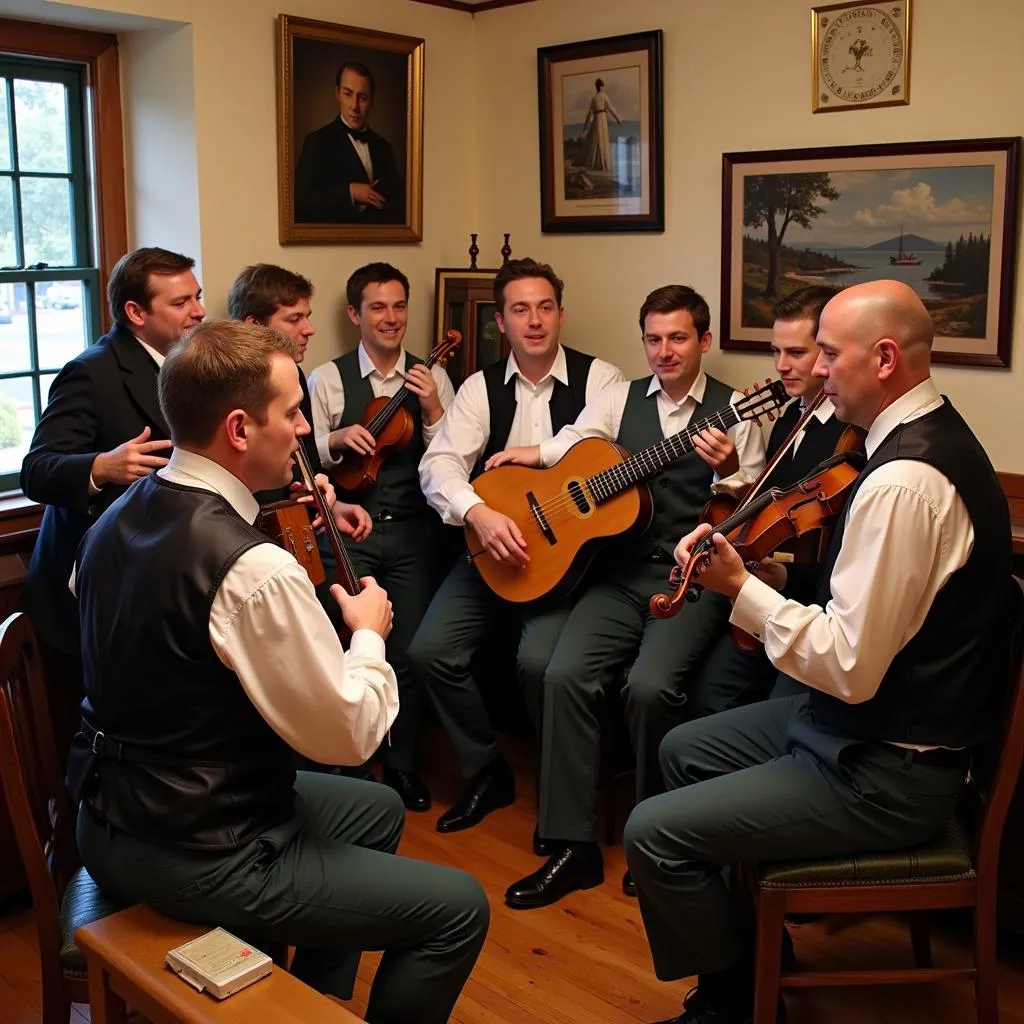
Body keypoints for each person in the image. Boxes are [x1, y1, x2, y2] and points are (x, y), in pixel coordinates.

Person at [69, 320, 489, 1024]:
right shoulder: (250, 567)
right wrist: (367, 637)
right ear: (239, 428)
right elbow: (350, 737)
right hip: (198, 846)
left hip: (106, 814)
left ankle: (313, 1004)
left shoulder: (114, 518)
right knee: (458, 909)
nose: (302, 430)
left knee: (377, 810)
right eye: (291, 413)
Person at [624, 280, 1012, 1024]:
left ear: (887, 358)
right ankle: (752, 959)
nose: (819, 371)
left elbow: (848, 665)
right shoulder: (914, 439)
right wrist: (770, 573)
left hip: (889, 767)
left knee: (653, 832)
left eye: (830, 354)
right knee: (682, 751)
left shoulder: (905, 481)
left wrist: (741, 590)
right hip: (863, 728)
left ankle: (731, 1001)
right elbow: (868, 599)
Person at [487, 285, 765, 908]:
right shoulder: (619, 397)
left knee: (648, 688)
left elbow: (750, 515)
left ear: (705, 341)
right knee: (561, 673)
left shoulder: (738, 411)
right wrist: (528, 457)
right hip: (617, 575)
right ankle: (572, 845)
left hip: (691, 581)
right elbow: (575, 446)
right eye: (653, 339)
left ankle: (655, 838)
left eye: (678, 338)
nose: (664, 351)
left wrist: (726, 473)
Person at [409, 256, 624, 835]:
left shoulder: (601, 379)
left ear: (561, 314)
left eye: (545, 307)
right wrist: (476, 513)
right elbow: (440, 464)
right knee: (430, 651)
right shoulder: (479, 388)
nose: (535, 321)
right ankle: (486, 771)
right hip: (489, 552)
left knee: (538, 663)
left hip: (566, 564)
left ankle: (560, 788)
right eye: (520, 309)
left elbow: (608, 454)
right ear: (500, 322)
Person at [21, 246, 204, 700]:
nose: (199, 311)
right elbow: (37, 470)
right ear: (135, 311)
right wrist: (102, 466)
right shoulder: (90, 373)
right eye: (181, 303)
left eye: (197, 297)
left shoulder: (190, 365)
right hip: (94, 597)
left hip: (163, 580)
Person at [308, 262, 455, 811]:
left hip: (413, 533)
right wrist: (335, 441)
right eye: (377, 307)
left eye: (399, 306)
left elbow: (453, 452)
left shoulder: (431, 376)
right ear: (355, 315)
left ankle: (402, 766)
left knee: (409, 653)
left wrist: (435, 405)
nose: (391, 318)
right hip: (349, 531)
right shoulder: (326, 377)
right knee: (344, 649)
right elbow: (305, 453)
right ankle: (348, 770)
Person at [691, 285, 849, 710]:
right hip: (770, 596)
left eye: (796, 353)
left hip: (814, 612)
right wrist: (729, 474)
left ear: (828, 353)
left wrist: (783, 580)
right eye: (775, 351)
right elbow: (773, 507)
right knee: (706, 696)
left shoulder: (849, 434)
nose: (781, 366)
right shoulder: (789, 422)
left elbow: (835, 543)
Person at [294, 62, 404, 225]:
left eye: (363, 98)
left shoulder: (384, 147)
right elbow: (302, 203)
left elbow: (399, 208)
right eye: (348, 94)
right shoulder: (317, 142)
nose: (354, 106)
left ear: (372, 101)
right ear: (337, 93)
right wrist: (350, 193)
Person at [580, 78, 622, 172]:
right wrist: (618, 119)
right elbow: (611, 108)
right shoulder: (603, 96)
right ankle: (602, 163)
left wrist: (585, 126)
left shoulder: (595, 98)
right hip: (601, 119)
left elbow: (589, 114)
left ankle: (598, 163)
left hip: (598, 119)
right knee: (601, 139)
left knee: (598, 139)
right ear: (601, 86)